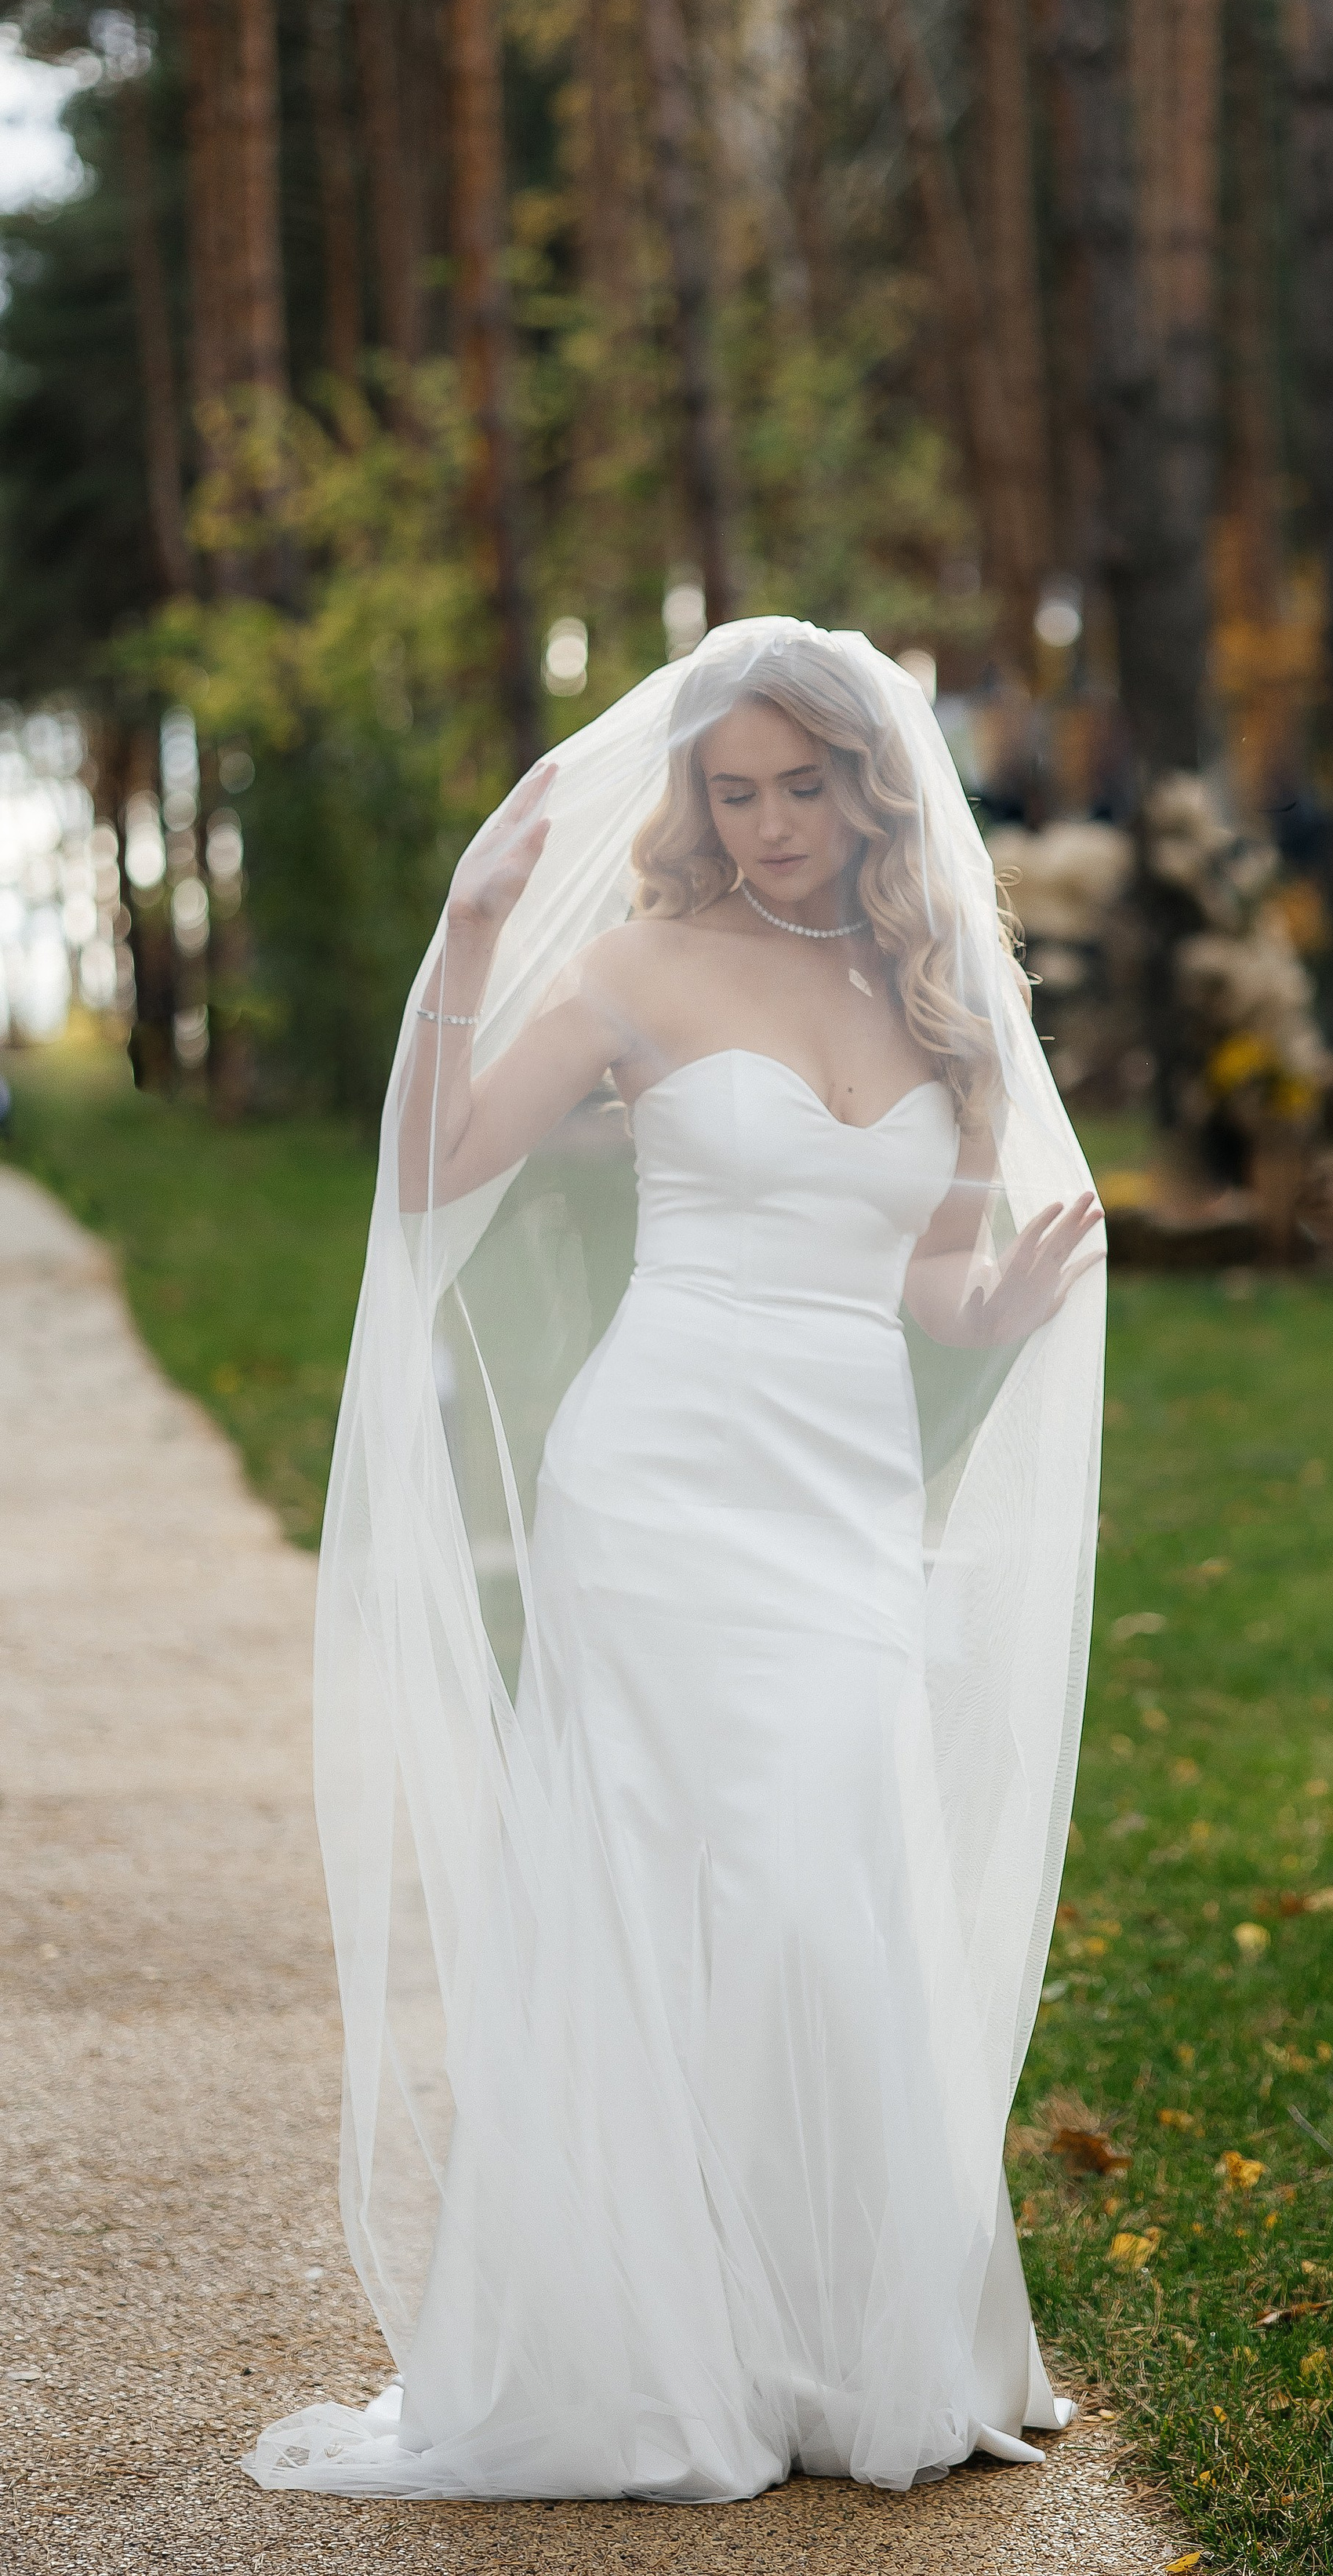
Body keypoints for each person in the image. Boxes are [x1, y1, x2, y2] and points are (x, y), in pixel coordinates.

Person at [245, 620, 1105, 2504]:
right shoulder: (634, 964)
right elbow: (435, 1171)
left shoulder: (939, 988)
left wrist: (1001, 1303)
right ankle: (638, 2349)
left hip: (839, 1482)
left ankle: (841, 2337)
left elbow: (926, 1279)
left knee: (817, 1881)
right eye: (737, 790)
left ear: (868, 790)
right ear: (695, 800)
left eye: (804, 786)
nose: (774, 822)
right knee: (640, 1877)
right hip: (653, 1475)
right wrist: (470, 935)